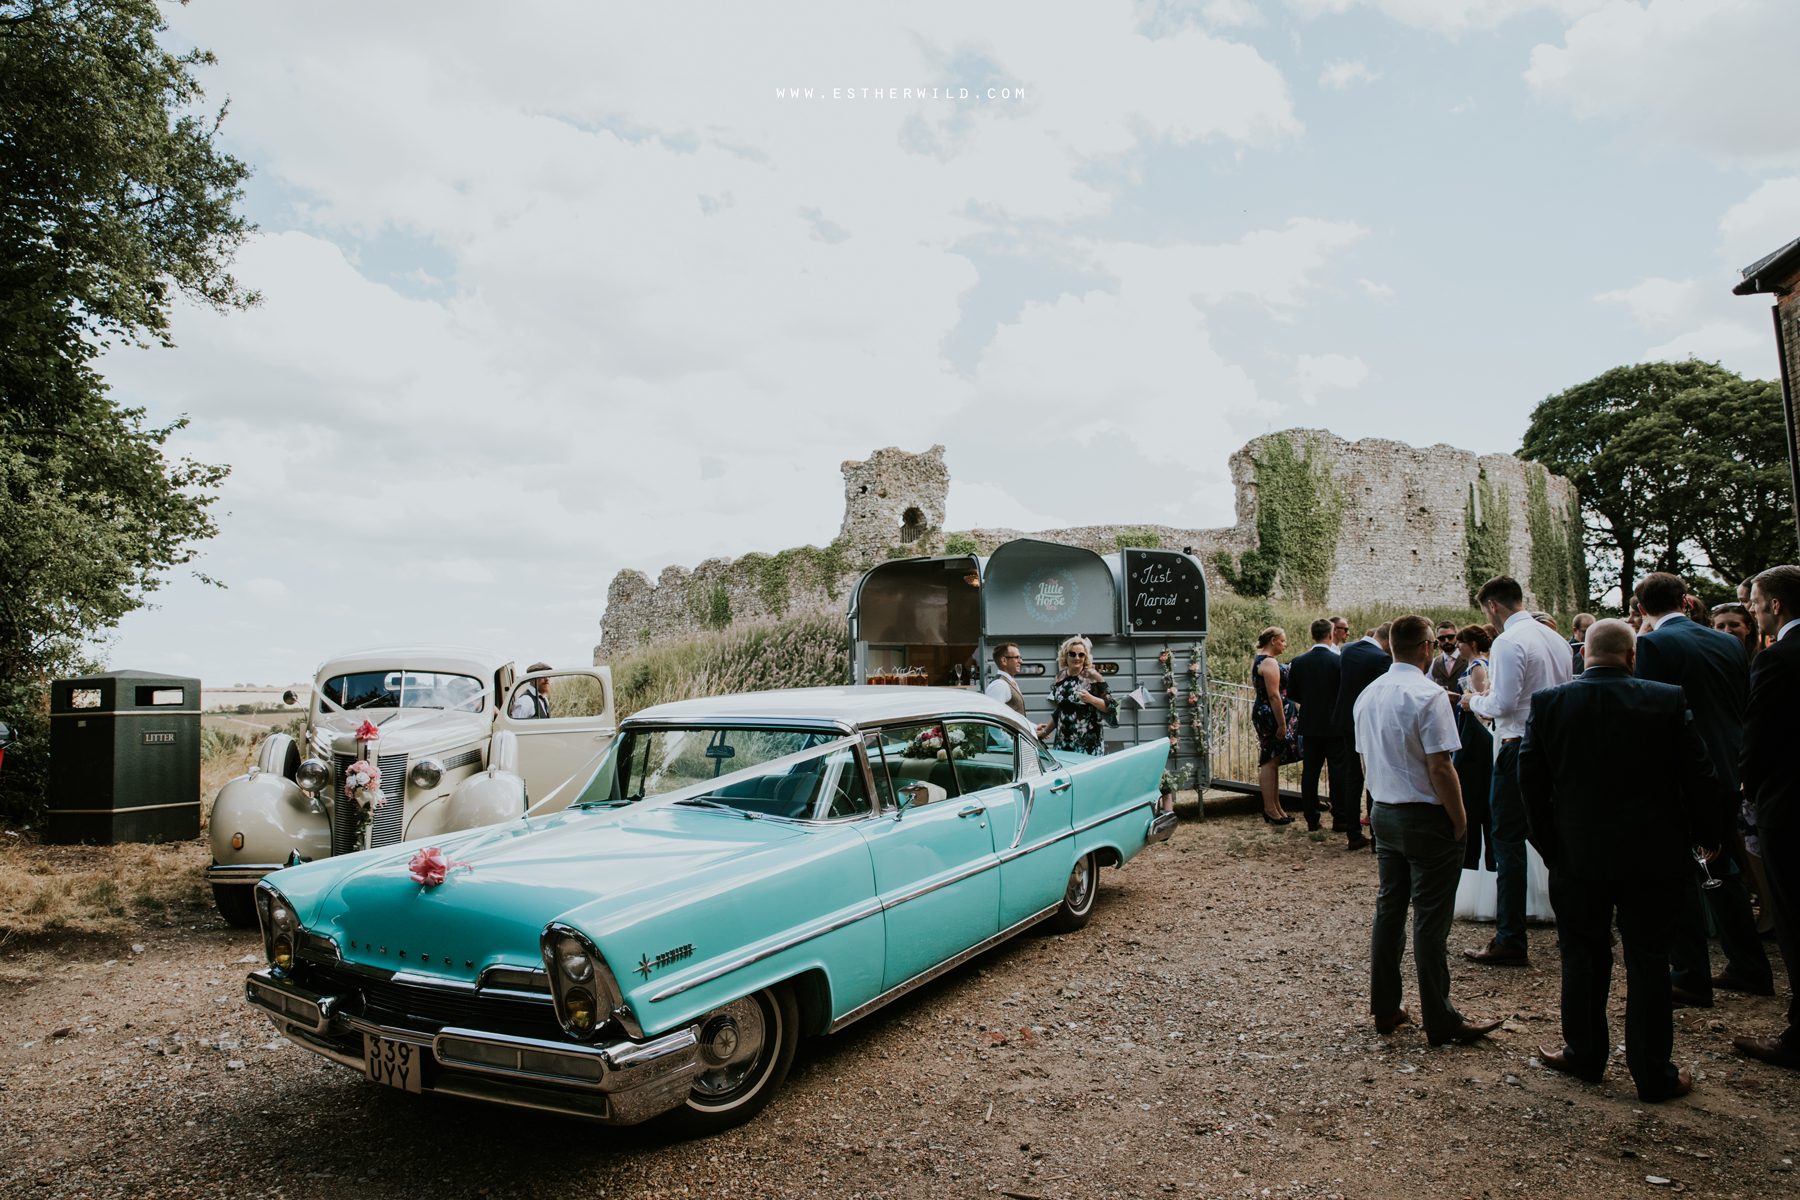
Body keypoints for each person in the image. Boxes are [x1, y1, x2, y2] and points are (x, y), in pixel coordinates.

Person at [1519, 618, 1720, 1102]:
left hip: (1578, 854)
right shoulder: (1665, 699)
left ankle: (1585, 1054)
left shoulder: (1550, 703)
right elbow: (1699, 774)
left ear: (1582, 655)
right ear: (1633, 656)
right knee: (1650, 959)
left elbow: (1529, 784)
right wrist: (1706, 837)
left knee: (1583, 955)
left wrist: (1552, 847)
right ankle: (1654, 1073)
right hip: (1653, 855)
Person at [1356, 613, 1500, 1046]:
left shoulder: (1368, 694)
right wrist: (1459, 819)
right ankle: (1441, 1018)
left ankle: (1385, 1007)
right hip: (1426, 816)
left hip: (1385, 811)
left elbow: (1366, 760)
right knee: (1431, 923)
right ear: (1425, 648)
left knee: (1390, 910)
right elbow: (1441, 766)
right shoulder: (1429, 694)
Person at [1634, 571, 1766, 1007]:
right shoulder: (1727, 642)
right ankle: (1749, 965)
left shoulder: (1652, 644)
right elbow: (1742, 703)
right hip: (1727, 769)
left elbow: (1650, 712)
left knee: (1680, 871)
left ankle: (1691, 974)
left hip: (1682, 774)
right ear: (1687, 601)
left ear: (1642, 608)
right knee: (1719, 867)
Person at [1462, 574, 1573, 966]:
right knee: (1556, 839)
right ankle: (1578, 925)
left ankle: (1510, 938)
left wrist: (1473, 701)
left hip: (1518, 748)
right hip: (1556, 748)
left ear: (1492, 606)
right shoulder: (1555, 639)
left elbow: (1504, 704)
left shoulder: (1508, 640)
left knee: (1507, 840)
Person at [1733, 565, 1800, 1069]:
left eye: (1754, 602)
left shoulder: (1778, 658)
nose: (1752, 609)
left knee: (1796, 920)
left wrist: (1748, 790)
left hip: (1791, 805)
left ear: (1775, 605)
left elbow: (1759, 734)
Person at [1332, 621, 1393, 850]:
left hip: (1347, 720)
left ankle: (1353, 833)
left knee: (1353, 776)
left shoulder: (1348, 649)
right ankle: (1377, 836)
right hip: (1370, 721)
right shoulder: (1382, 659)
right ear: (1387, 640)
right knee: (1373, 775)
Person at [1450, 625, 1497, 913]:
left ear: (1471, 643)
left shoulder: (1478, 665)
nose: (1457, 647)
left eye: (1460, 642)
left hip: (1477, 740)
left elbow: (1483, 708)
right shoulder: (1477, 663)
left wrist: (1465, 702)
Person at [1287, 618, 1345, 834]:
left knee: (1310, 772)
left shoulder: (1299, 662)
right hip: (1334, 725)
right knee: (1338, 772)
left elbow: (1292, 693)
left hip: (1310, 724)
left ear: (1312, 635)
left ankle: (1311, 817)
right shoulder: (1339, 662)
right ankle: (1340, 818)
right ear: (1331, 635)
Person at [1251, 627, 1300, 825]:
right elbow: (1274, 696)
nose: (1285, 644)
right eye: (1283, 641)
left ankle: (1276, 806)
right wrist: (1281, 724)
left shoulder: (1263, 660)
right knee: (1269, 760)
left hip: (1268, 713)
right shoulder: (1269, 662)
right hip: (1270, 716)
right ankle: (1270, 809)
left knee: (1274, 758)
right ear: (1273, 640)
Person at [1039, 636, 1110, 756]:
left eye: (1081, 655)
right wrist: (1044, 733)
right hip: (1063, 742)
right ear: (1065, 656)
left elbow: (1111, 707)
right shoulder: (1060, 677)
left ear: (1085, 657)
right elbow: (1060, 710)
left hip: (1087, 744)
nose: (1077, 658)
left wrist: (1091, 699)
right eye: (1072, 654)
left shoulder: (1093, 677)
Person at [985, 643, 1027, 716]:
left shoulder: (1009, 682)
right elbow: (995, 717)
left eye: (1020, 657)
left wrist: (1034, 726)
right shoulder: (999, 685)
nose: (1021, 661)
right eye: (1016, 657)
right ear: (1004, 661)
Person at [1428, 621, 1463, 691]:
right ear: (1437, 640)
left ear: (1456, 637)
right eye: (1442, 638)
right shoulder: (1433, 663)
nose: (1446, 641)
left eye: (1450, 637)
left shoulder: (1468, 660)